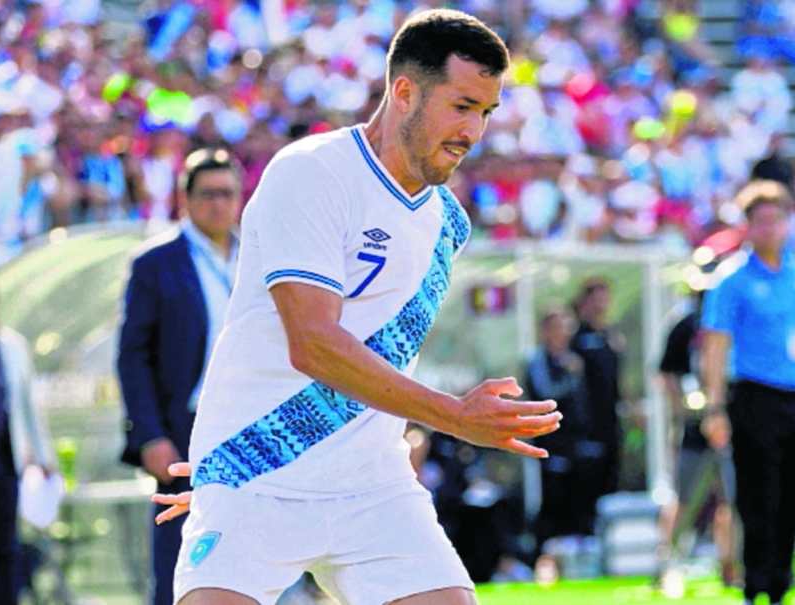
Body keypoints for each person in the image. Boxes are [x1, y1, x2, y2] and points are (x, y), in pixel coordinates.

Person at [159, 10, 561, 605]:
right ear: (404, 91)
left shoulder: (447, 222)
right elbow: (314, 344)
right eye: (461, 106)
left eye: (487, 112)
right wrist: (456, 417)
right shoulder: (310, 173)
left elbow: (375, 349)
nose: (474, 131)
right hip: (257, 481)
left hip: (374, 487)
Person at [117, 147, 242, 605]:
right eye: (207, 193)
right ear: (184, 199)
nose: (218, 203)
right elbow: (133, 356)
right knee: (179, 563)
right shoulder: (156, 263)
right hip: (183, 427)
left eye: (227, 193)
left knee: (251, 555)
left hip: (248, 426)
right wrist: (148, 435)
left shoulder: (257, 260)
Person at [700, 180, 795, 605]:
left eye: (777, 219)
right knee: (758, 494)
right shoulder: (732, 279)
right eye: (761, 220)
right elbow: (715, 345)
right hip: (755, 396)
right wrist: (714, 406)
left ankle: (783, 581)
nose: (770, 228)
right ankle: (757, 586)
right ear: (749, 226)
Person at [655, 290, 737, 587]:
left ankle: (730, 564)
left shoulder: (735, 317)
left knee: (731, 500)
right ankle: (666, 564)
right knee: (684, 497)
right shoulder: (686, 324)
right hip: (694, 427)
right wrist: (684, 410)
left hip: (731, 423)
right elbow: (666, 373)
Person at [0, 290, 57, 604]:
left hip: (6, 463)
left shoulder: (12, 346)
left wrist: (44, 457)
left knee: (7, 544)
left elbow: (30, 408)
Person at [524, 309, 593, 549]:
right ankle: (542, 550)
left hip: (574, 442)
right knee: (551, 497)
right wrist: (571, 376)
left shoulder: (572, 358)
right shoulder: (538, 360)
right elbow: (546, 394)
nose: (562, 334)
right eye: (556, 328)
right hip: (549, 442)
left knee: (577, 497)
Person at [569, 278, 624, 509]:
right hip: (586, 425)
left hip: (611, 422)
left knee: (611, 479)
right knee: (587, 483)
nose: (601, 304)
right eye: (596, 298)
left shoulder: (612, 336)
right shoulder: (576, 338)